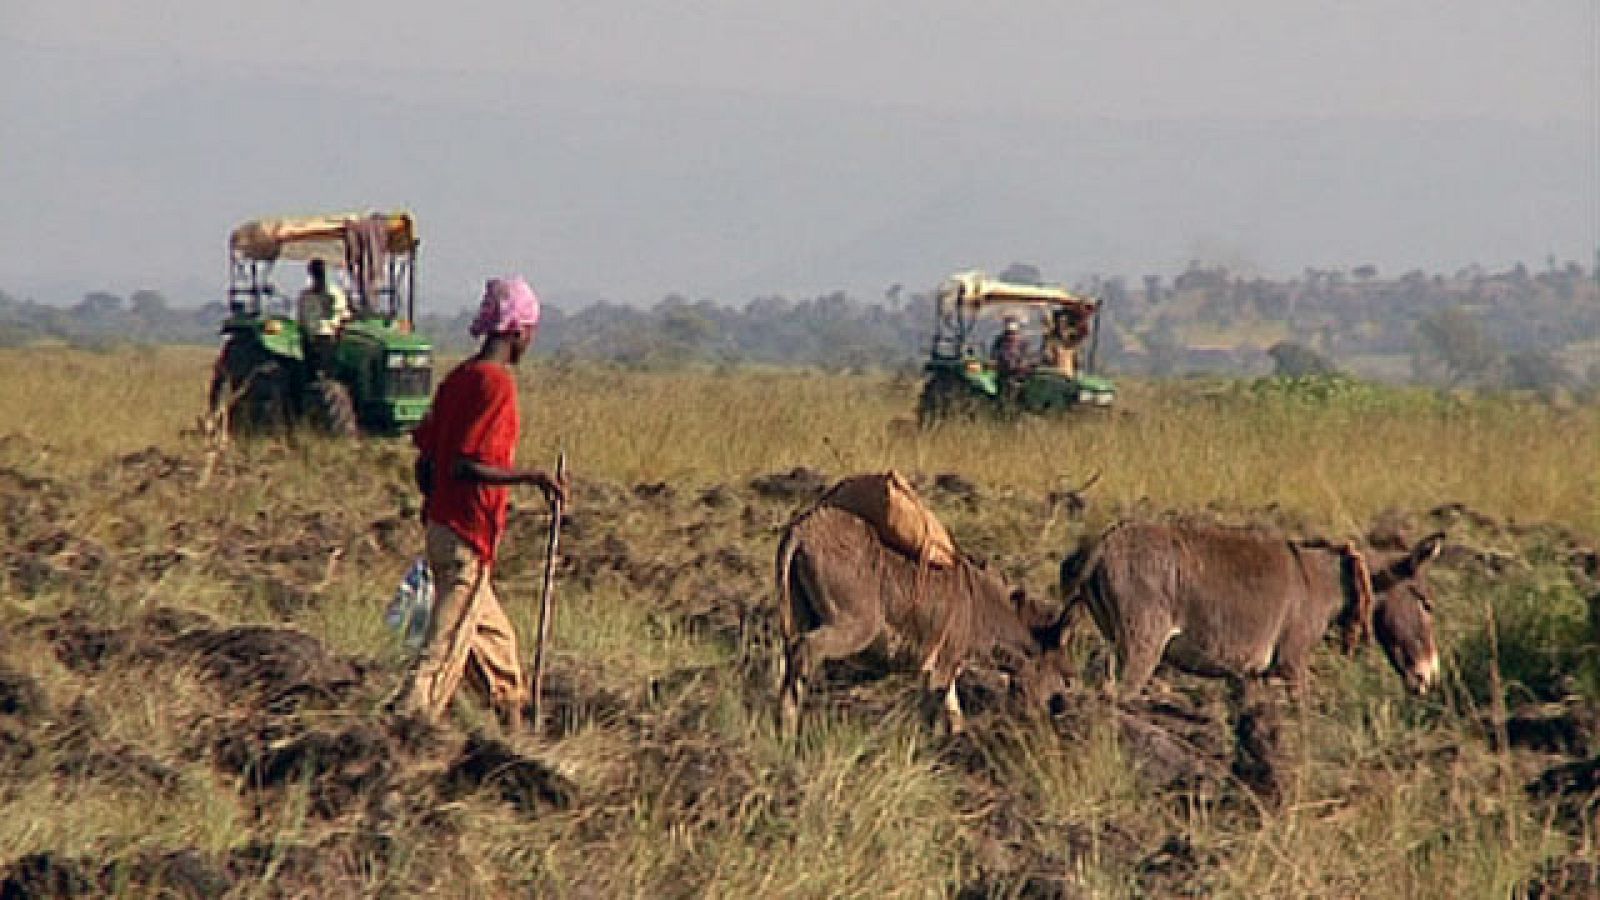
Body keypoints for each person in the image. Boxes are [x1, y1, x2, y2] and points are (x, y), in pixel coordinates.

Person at [388, 275, 566, 732]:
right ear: (517, 331)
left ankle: (515, 729)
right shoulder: (495, 385)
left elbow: (427, 464)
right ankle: (407, 728)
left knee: (497, 645)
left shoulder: (458, 379)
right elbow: (467, 464)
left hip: (445, 531)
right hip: (466, 536)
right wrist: (534, 478)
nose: (530, 341)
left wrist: (438, 507)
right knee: (444, 649)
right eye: (529, 331)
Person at [296, 259, 349, 373]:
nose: (318, 276)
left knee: (326, 369)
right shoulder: (305, 296)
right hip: (309, 339)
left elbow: (343, 318)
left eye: (320, 273)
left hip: (328, 338)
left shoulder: (335, 294)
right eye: (316, 273)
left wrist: (337, 336)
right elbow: (301, 320)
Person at [1040, 308, 1086, 377]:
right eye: (1061, 322)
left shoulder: (1073, 342)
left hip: (1069, 376)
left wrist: (1078, 372)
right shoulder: (1053, 341)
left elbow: (1078, 361)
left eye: (1065, 322)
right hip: (1056, 375)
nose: (1062, 325)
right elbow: (1048, 357)